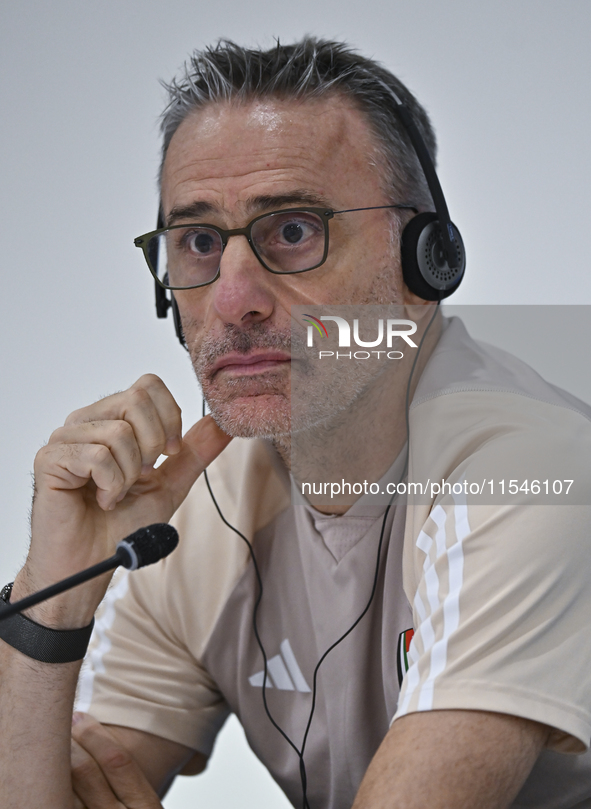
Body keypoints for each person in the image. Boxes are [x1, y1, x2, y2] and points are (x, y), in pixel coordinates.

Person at [1, 38, 591, 809]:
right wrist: (52, 596)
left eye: (292, 231)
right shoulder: (178, 510)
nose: (232, 298)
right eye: (201, 243)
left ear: (424, 262)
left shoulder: (534, 472)